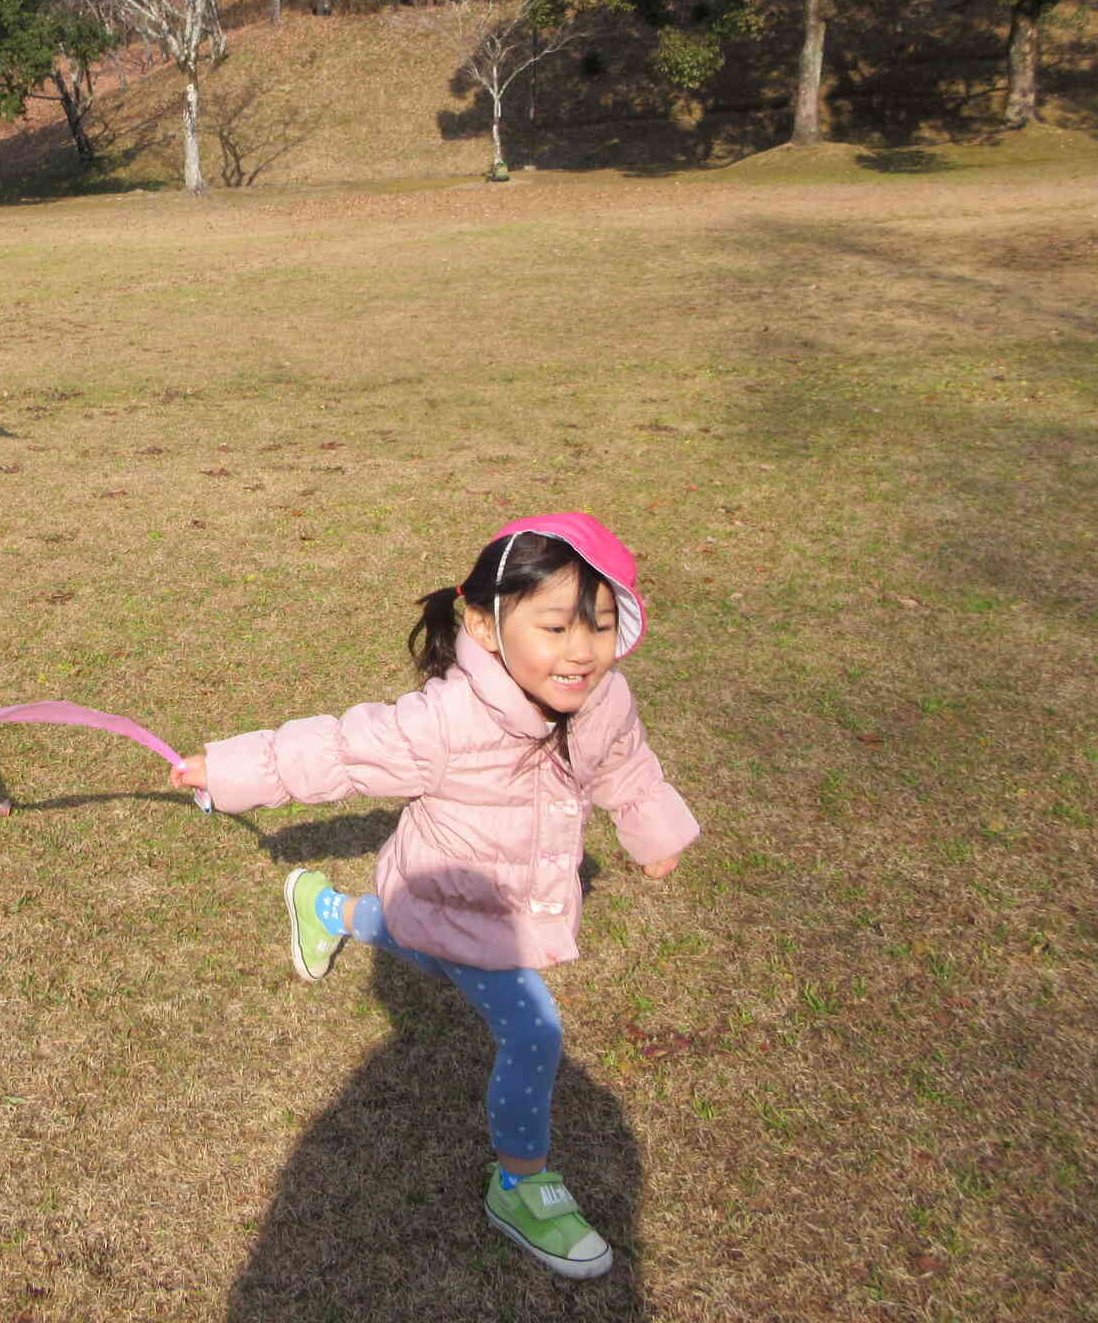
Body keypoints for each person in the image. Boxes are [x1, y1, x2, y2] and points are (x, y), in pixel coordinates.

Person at [170, 514, 700, 1281]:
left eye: (601, 625)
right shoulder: (446, 722)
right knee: (535, 1032)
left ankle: (325, 910)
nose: (580, 650)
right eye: (554, 625)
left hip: (474, 908)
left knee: (416, 942)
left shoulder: (603, 700)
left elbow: (626, 766)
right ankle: (521, 1184)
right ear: (486, 625)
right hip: (455, 895)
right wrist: (227, 769)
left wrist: (653, 831)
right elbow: (338, 752)